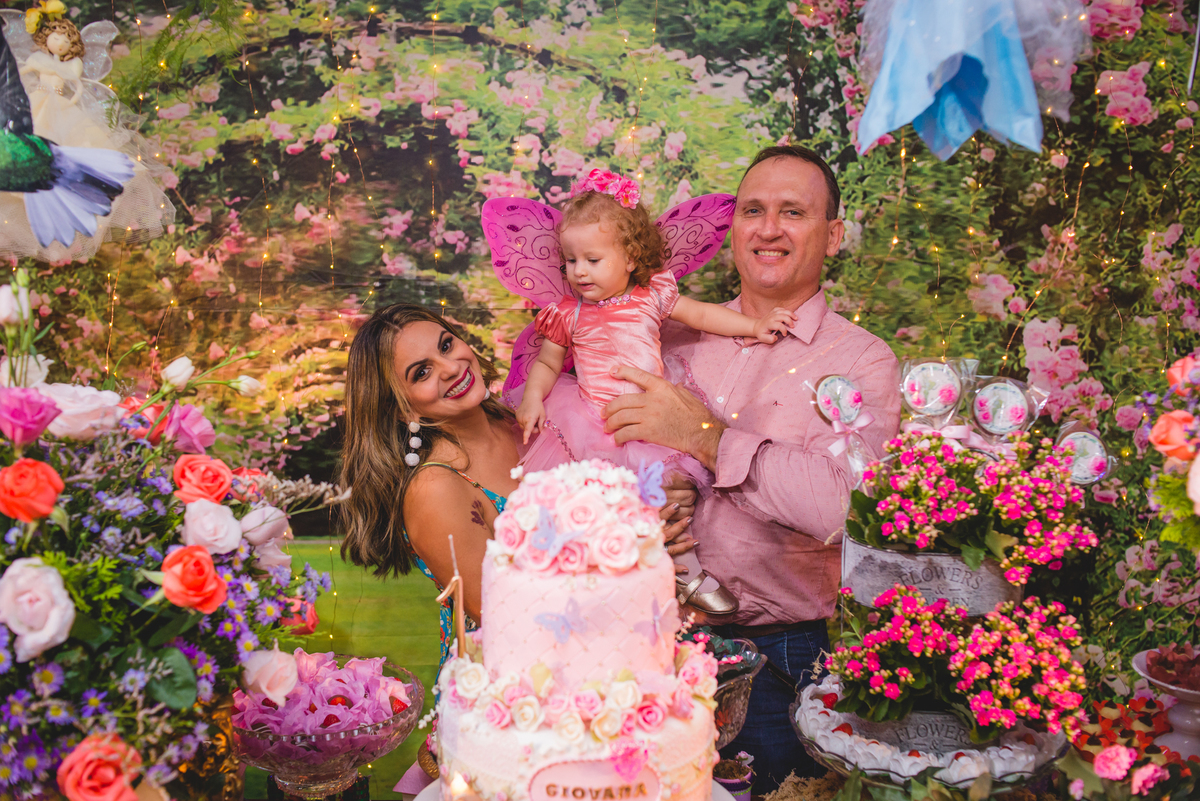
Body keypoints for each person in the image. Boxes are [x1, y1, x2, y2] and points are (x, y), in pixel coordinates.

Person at [601, 145, 902, 790]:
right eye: (752, 210)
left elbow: (843, 507)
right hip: (647, 647)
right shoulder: (666, 339)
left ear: (834, 233)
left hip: (781, 659)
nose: (768, 229)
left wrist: (706, 436)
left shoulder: (863, 361)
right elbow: (602, 465)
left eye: (792, 211)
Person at [337, 304, 697, 665]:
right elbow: (508, 619)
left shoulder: (529, 417)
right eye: (422, 372)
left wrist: (654, 497)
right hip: (520, 688)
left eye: (446, 346)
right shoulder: (436, 488)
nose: (450, 368)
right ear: (402, 409)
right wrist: (625, 552)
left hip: (611, 656)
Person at [512, 170, 795, 616]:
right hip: (593, 423)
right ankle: (618, 588)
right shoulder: (568, 313)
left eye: (593, 259)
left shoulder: (650, 295)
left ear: (629, 257)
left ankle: (688, 573)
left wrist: (754, 326)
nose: (579, 271)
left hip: (650, 419)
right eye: (571, 261)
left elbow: (702, 315)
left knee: (665, 496)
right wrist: (532, 397)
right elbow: (548, 362)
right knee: (604, 508)